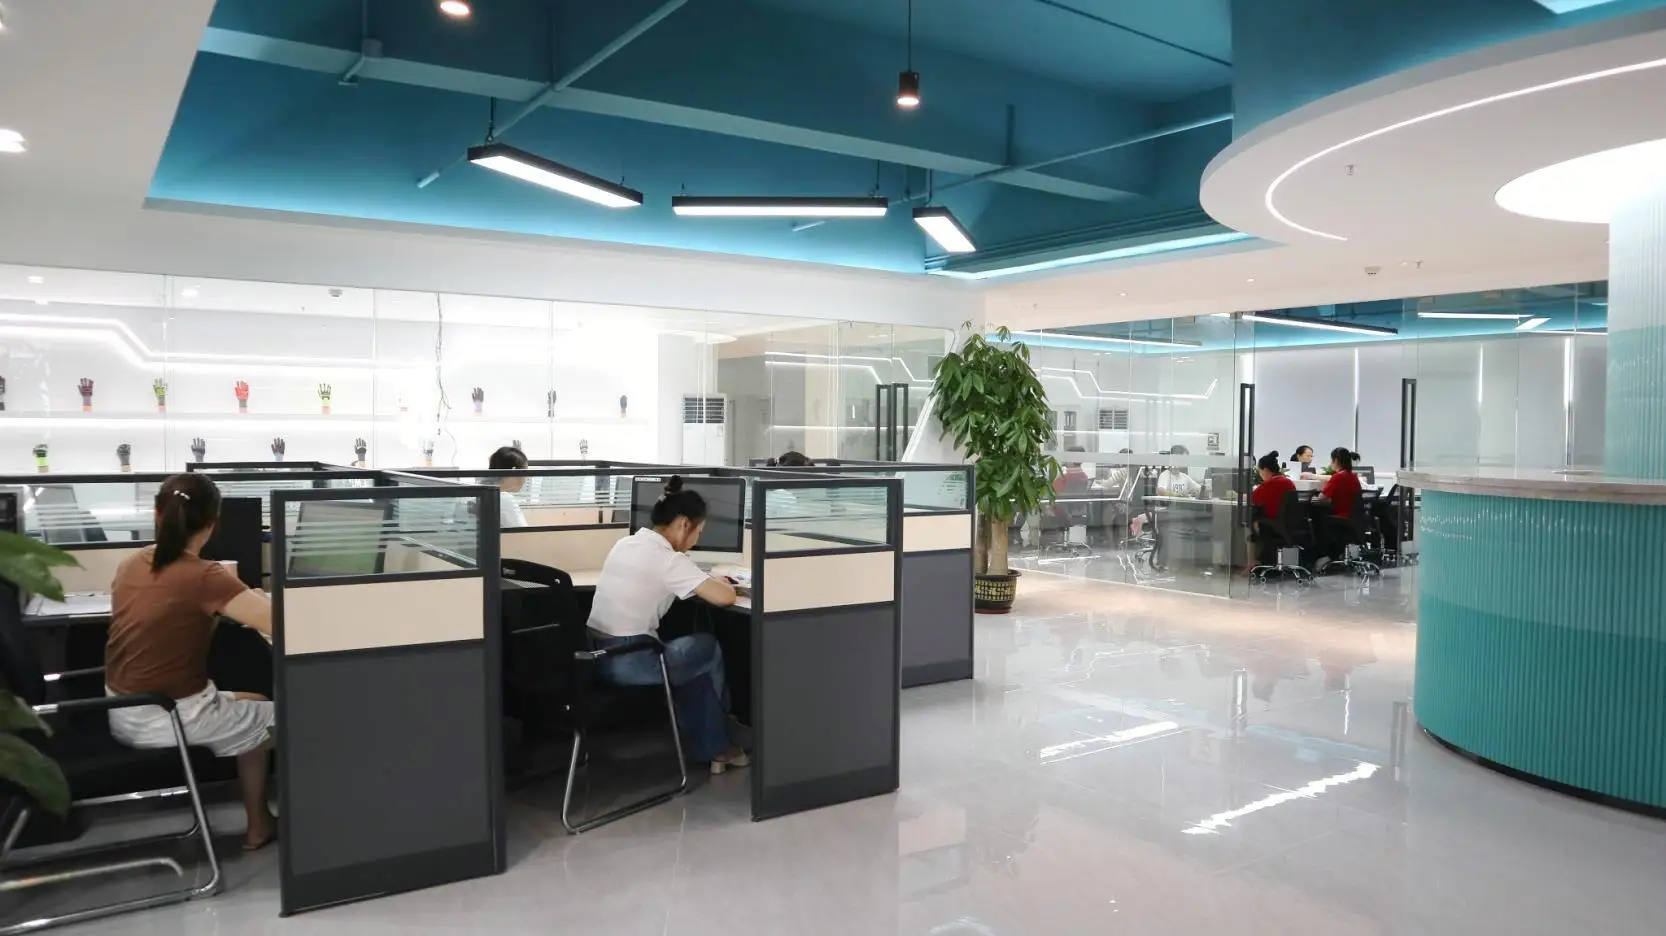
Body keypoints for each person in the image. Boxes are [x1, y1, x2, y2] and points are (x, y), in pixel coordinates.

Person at [106, 473, 276, 850]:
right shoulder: (204, 576)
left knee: (259, 702)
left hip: (123, 709)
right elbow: (278, 624)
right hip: (168, 715)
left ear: (157, 515)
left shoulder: (132, 563)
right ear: (213, 524)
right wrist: (257, 600)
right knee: (288, 719)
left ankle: (259, 823)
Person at [587, 476, 749, 774]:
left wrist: (702, 577)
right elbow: (725, 597)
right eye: (698, 531)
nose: (696, 540)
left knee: (693, 667)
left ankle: (718, 745)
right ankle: (724, 734)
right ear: (684, 524)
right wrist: (717, 582)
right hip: (630, 661)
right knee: (706, 646)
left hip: (593, 656)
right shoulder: (668, 560)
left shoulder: (625, 544)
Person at [1312, 447, 1363, 570]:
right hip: (1353, 518)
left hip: (1341, 517)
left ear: (1335, 460)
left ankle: (1321, 557)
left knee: (1315, 518)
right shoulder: (1353, 477)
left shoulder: (1338, 477)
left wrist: (1313, 498)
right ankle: (1333, 555)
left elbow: (1322, 498)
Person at [1248, 451, 1297, 565]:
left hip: (1274, 525)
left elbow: (1252, 498)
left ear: (1264, 469)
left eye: (1260, 471)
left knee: (1249, 523)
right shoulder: (1288, 482)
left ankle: (1251, 563)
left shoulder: (1269, 484)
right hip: (1290, 525)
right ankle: (1262, 560)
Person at [489, 445, 529, 528]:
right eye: (525, 472)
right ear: (514, 472)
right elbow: (522, 532)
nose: (526, 478)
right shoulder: (504, 499)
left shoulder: (484, 494)